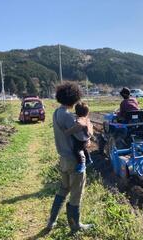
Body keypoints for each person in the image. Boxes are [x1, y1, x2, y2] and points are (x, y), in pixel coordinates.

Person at [47, 81, 93, 232]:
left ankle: (51, 221)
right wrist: (88, 135)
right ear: (74, 98)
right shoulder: (67, 116)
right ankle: (75, 226)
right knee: (76, 194)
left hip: (63, 159)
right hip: (74, 160)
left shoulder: (56, 112)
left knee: (63, 189)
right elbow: (81, 138)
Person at [65, 102, 93, 173]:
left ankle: (81, 164)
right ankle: (89, 159)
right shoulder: (86, 119)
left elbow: (77, 127)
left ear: (77, 112)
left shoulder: (79, 120)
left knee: (76, 150)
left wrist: (68, 132)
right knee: (84, 148)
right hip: (86, 137)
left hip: (80, 139)